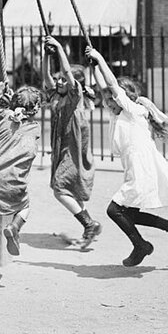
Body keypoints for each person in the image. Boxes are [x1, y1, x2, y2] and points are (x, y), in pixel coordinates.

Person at [86, 46, 168, 267]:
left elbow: (112, 85)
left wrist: (100, 56)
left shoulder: (133, 111)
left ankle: (141, 245)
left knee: (114, 210)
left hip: (141, 168)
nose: (107, 103)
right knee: (129, 213)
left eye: (111, 100)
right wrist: (93, 65)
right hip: (135, 167)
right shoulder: (118, 113)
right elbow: (104, 86)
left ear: (123, 98)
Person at [42, 35, 101, 249]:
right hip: (62, 147)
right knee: (71, 190)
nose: (59, 81)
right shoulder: (56, 96)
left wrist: (58, 47)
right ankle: (88, 228)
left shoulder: (75, 97)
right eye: (59, 79)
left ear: (74, 84)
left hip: (73, 149)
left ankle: (89, 223)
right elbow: (46, 76)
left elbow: (67, 72)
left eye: (63, 80)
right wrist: (46, 55)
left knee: (59, 189)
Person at [0, 84, 43, 268]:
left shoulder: (1, 117)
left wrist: (0, 95)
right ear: (37, 108)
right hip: (16, 185)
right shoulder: (35, 128)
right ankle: (14, 227)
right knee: (25, 207)